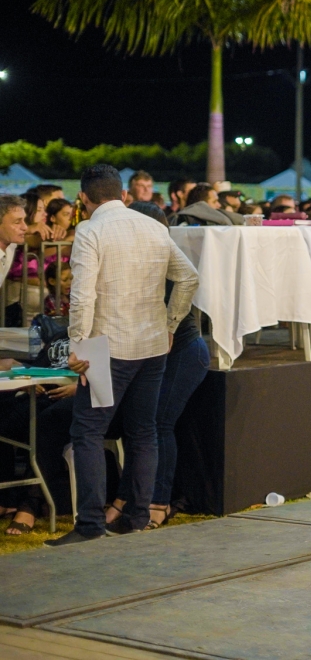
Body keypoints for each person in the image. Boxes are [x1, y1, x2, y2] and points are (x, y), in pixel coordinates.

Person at [46, 164, 199, 546]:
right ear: (124, 195)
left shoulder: (90, 230)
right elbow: (188, 277)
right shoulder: (153, 227)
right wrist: (170, 324)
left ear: (83, 198)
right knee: (143, 431)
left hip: (107, 347)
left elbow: (82, 295)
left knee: (87, 432)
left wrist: (78, 344)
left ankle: (90, 525)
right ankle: (136, 517)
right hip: (152, 345)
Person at [98, 203, 211, 529]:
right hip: (151, 354)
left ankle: (158, 503)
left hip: (184, 353)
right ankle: (126, 499)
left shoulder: (163, 258)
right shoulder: (131, 259)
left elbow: (189, 282)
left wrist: (170, 325)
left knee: (157, 424)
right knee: (139, 425)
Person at [169, 183, 245, 226]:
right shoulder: (183, 223)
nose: (219, 205)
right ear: (201, 205)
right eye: (214, 202)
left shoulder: (173, 220)